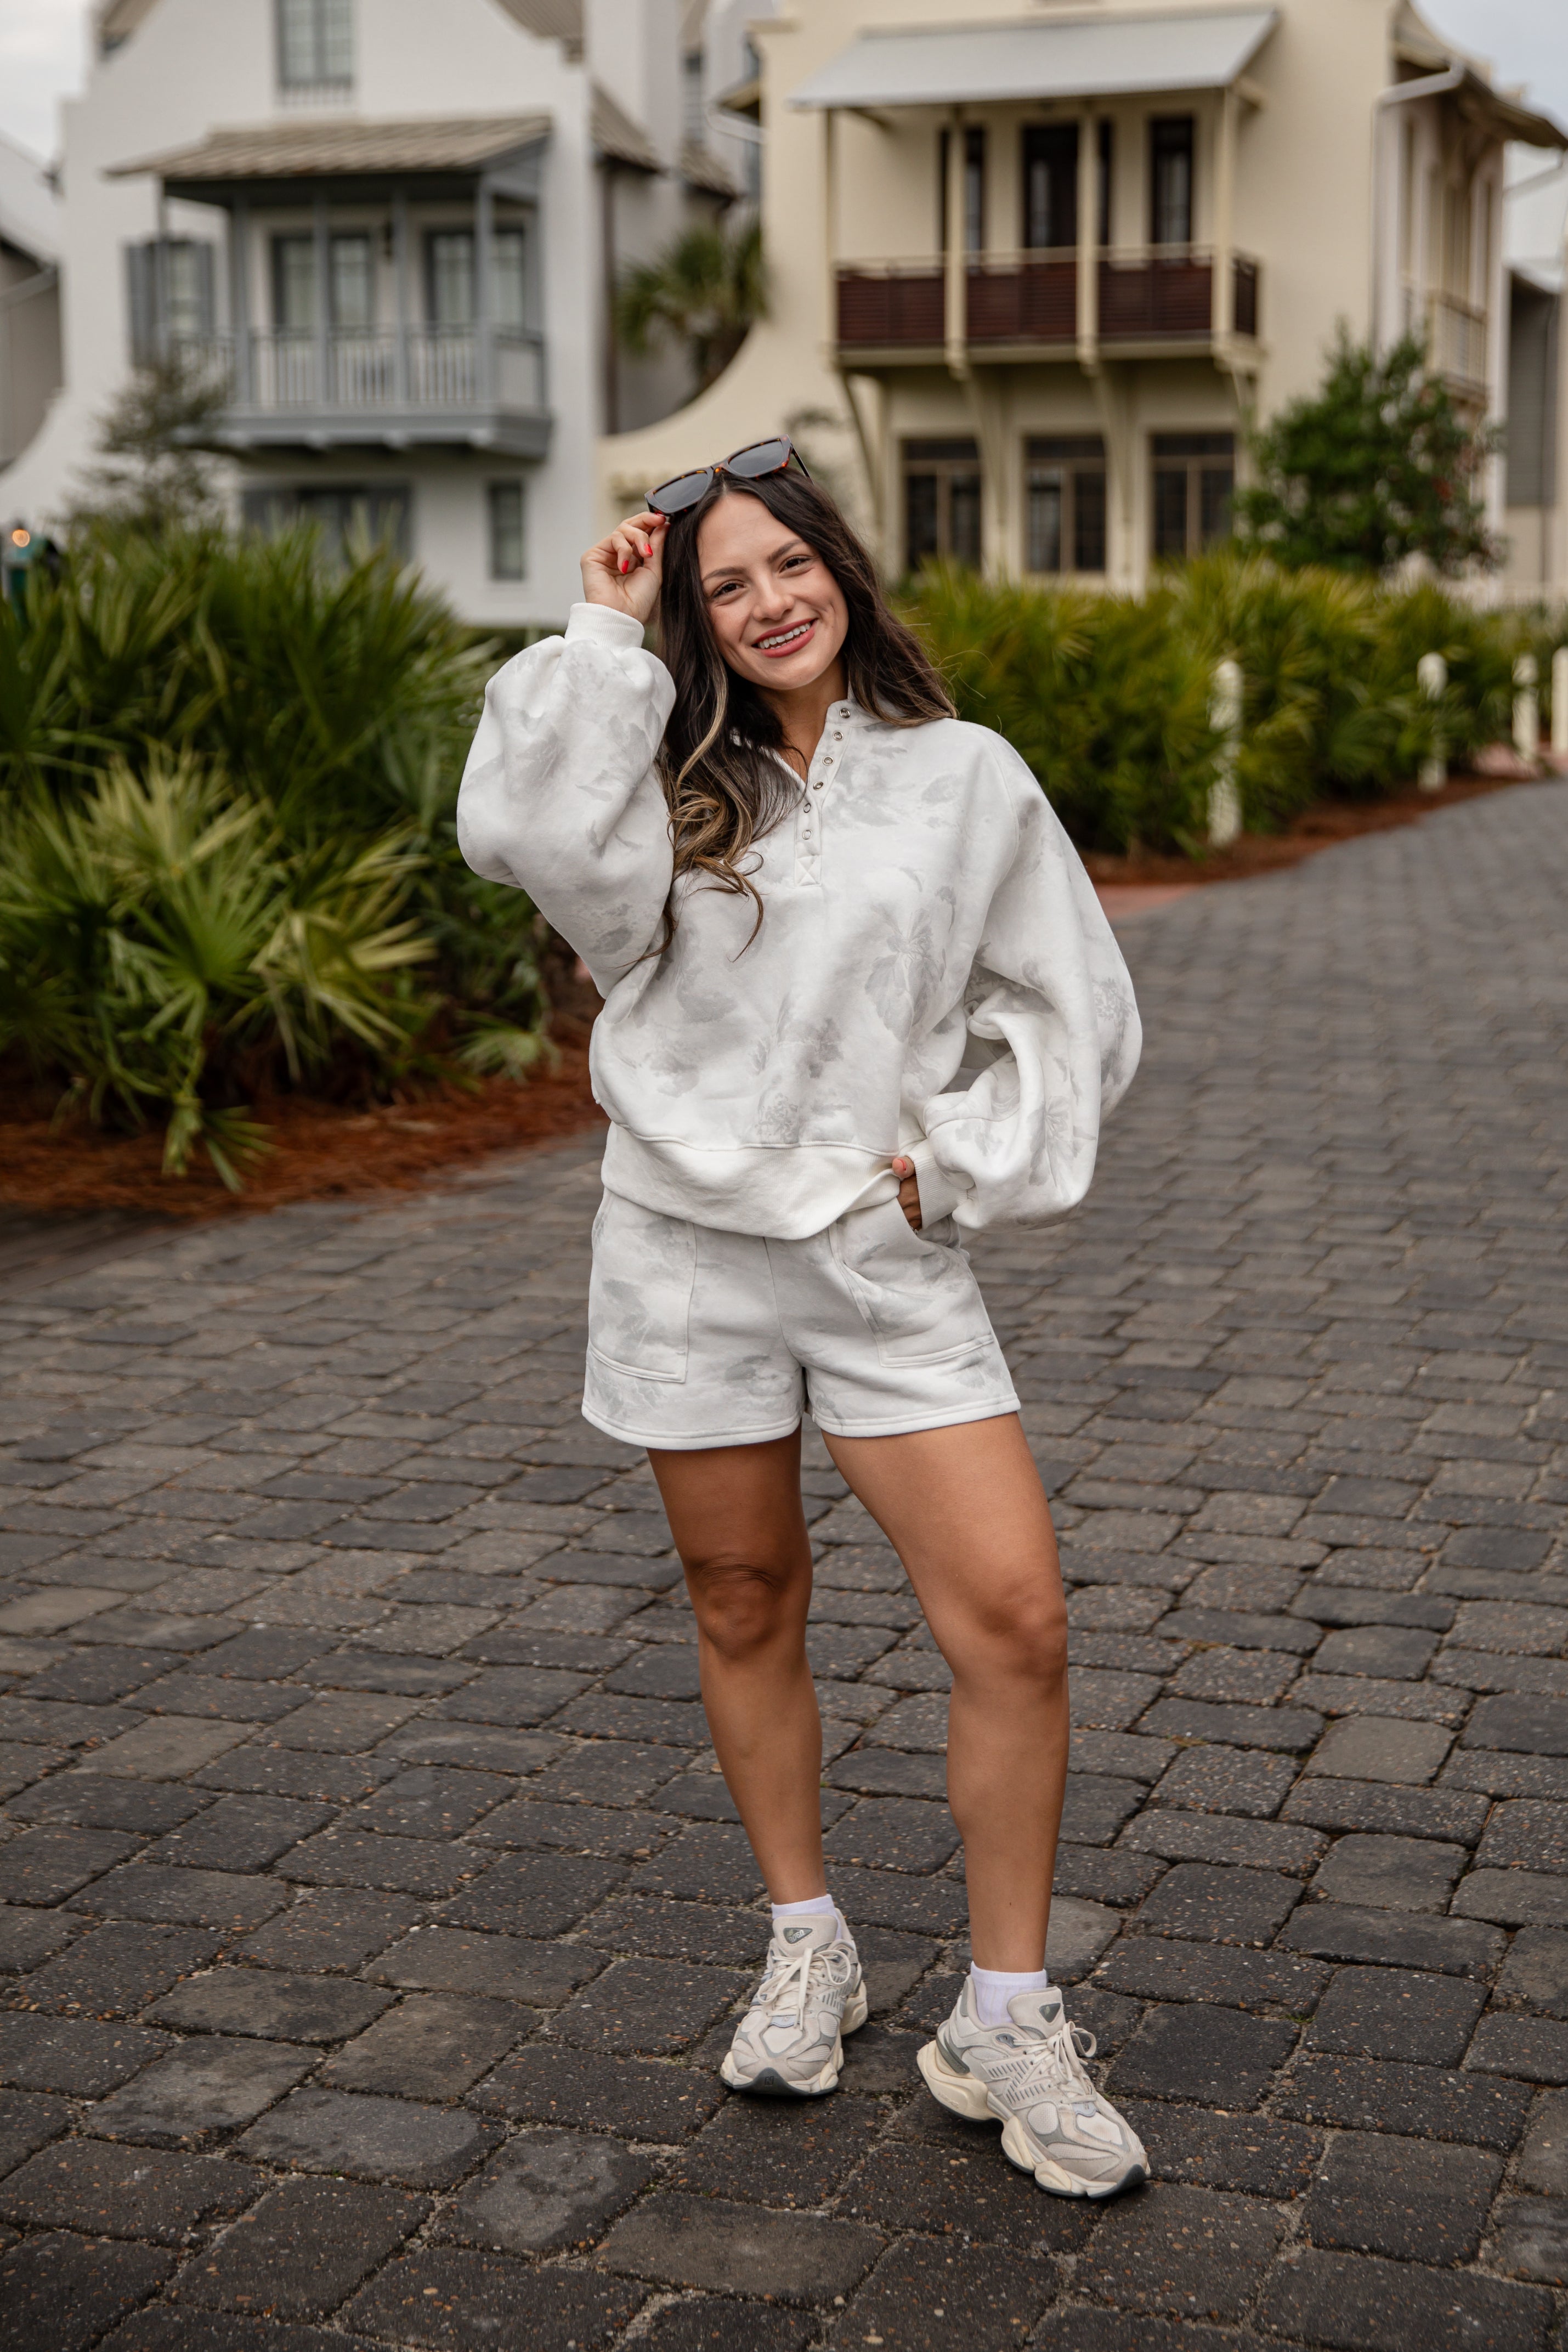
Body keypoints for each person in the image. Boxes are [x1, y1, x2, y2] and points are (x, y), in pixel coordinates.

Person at [457, 438, 1147, 2200]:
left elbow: (1073, 1003)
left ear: (839, 565)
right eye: (722, 587)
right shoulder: (659, 777)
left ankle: (1003, 2014)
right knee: (742, 1590)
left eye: (788, 565)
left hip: (873, 1247)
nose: (767, 604)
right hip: (680, 1245)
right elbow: (520, 836)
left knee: (1014, 1617)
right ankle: (806, 1941)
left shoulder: (960, 776)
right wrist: (607, 638)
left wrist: (960, 1164)